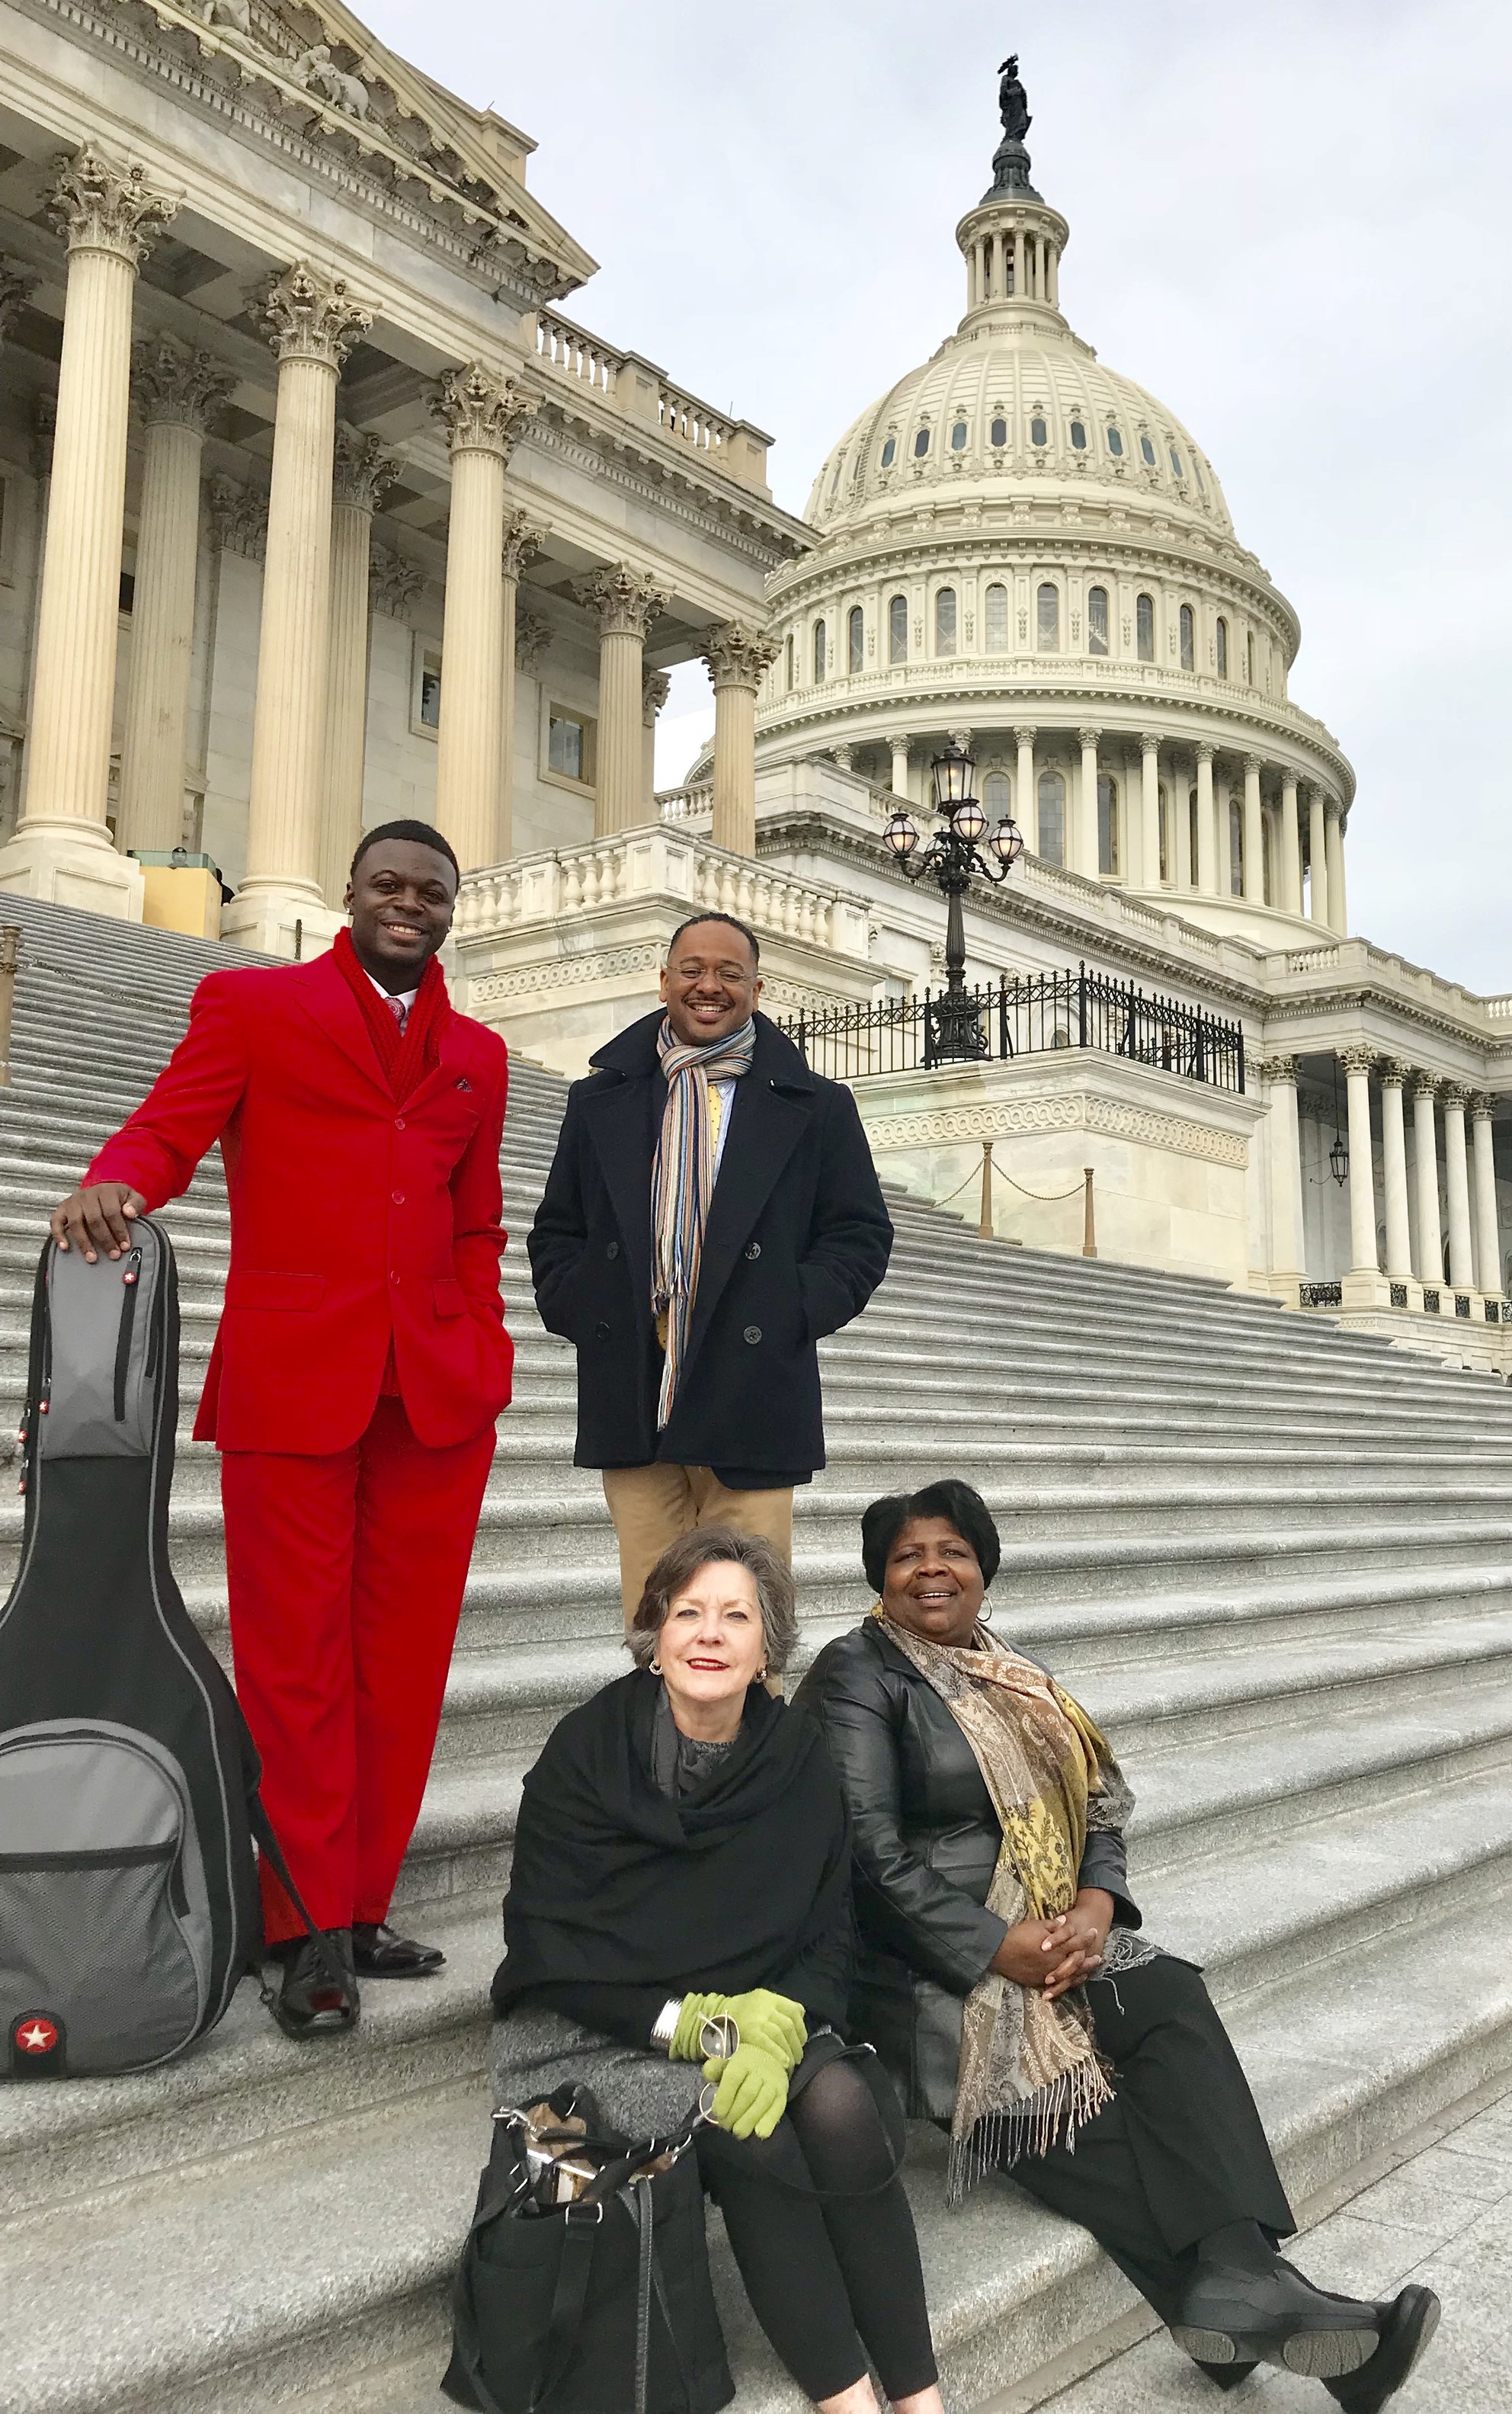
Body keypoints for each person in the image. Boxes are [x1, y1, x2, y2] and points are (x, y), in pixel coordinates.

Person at [798, 1480, 1443, 2412]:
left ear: (984, 1571)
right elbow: (867, 1857)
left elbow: (1097, 1803)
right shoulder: (854, 1675)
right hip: (924, 1971)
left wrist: (1097, 1906)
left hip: (1061, 1928)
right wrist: (995, 1946)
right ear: (879, 1576)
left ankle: (1236, 2283)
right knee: (1065, 2101)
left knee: (1170, 1993)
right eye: (907, 1556)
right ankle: (1252, 2308)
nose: (932, 1570)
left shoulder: (1014, 1670)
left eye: (953, 1552)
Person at [48, 822, 511, 2038]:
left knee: (402, 1670)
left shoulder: (478, 1053)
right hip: (292, 1381)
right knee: (295, 1663)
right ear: (348, 898)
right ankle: (299, 1923)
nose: (409, 904)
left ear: (452, 909)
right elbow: (170, 1127)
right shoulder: (251, 1006)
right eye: (388, 886)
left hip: (436, 1397)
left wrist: (485, 1344)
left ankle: (359, 1907)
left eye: (432, 890)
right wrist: (118, 1181)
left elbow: (475, 1222)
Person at [491, 1527, 945, 2414]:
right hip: (603, 2026)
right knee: (745, 2124)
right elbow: (548, 1947)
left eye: (735, 1616)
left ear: (766, 1648)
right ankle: (846, 2398)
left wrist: (773, 2022)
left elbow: (828, 1932)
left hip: (753, 2004)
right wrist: (688, 2026)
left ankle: (921, 2399)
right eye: (687, 1612)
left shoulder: (796, 1757)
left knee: (842, 2103)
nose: (709, 1633)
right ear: (654, 1636)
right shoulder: (585, 1751)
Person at [527, 910, 892, 1627]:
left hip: (753, 1388)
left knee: (744, 1617)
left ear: (757, 988)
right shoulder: (599, 1097)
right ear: (663, 981)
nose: (709, 985)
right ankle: (659, 1742)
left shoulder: (818, 1106)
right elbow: (559, 1230)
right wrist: (585, 1308)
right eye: (692, 968)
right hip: (635, 1382)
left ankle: (751, 1742)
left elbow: (859, 1235)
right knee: (654, 1614)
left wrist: (790, 1307)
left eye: (729, 972)